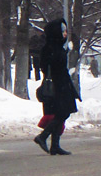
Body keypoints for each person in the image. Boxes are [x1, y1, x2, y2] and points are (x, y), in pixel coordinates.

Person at [33, 18, 81, 155]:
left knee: (61, 114)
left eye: (65, 31)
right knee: (62, 113)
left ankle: (55, 145)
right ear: (56, 32)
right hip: (56, 86)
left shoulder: (58, 46)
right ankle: (43, 137)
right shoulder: (49, 47)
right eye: (63, 31)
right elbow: (46, 66)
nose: (65, 34)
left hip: (61, 85)